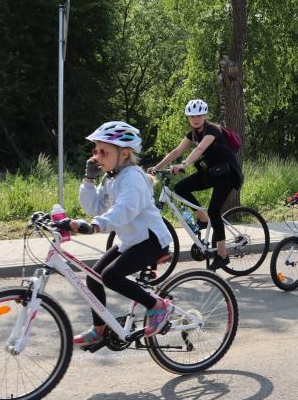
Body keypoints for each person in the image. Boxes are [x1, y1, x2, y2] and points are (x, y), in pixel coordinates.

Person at [71, 121, 175, 347]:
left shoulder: (133, 178)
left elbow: (124, 209)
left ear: (124, 153)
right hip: (132, 241)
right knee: (93, 276)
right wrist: (88, 181)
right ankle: (99, 330)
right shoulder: (111, 178)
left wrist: (97, 226)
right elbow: (96, 207)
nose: (97, 157)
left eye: (104, 152)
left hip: (151, 241)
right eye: (96, 151)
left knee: (110, 276)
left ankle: (158, 306)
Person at [149, 99, 243, 271]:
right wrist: (156, 167)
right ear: (188, 118)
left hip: (227, 174)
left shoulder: (213, 130)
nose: (196, 119)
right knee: (180, 188)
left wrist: (184, 164)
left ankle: (222, 255)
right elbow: (176, 151)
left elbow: (199, 149)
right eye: (192, 116)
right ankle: (203, 218)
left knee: (214, 210)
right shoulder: (192, 134)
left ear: (205, 115)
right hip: (212, 172)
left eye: (199, 115)